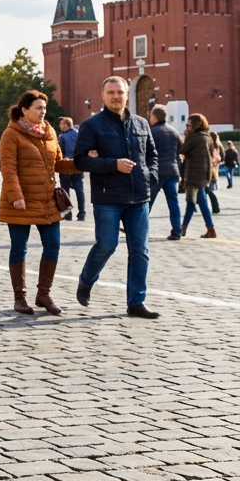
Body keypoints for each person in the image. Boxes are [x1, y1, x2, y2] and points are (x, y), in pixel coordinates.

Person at [73, 77, 159, 319]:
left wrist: (149, 175)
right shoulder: (92, 126)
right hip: (107, 197)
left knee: (140, 251)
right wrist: (113, 165)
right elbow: (81, 159)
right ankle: (86, 280)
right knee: (107, 245)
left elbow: (152, 154)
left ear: (127, 94)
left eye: (119, 92)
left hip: (139, 197)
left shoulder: (141, 123)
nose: (116, 96)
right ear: (102, 96)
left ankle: (136, 302)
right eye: (110, 92)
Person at [0, 90, 78, 315]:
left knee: (53, 245)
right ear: (25, 110)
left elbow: (59, 163)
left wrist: (81, 163)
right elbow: (9, 169)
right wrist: (16, 196)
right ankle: (19, 297)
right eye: (38, 108)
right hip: (20, 201)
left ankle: (44, 293)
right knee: (19, 248)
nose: (43, 112)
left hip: (47, 200)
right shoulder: (10, 134)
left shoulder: (49, 132)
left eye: (44, 108)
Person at [178, 114, 218, 239]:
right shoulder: (208, 137)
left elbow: (182, 149)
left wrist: (186, 135)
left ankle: (185, 228)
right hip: (204, 174)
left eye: (189, 125)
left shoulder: (194, 137)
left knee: (193, 202)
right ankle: (206, 228)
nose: (187, 127)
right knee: (198, 201)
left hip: (193, 174)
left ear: (195, 125)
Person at [147, 106, 182, 240]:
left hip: (157, 172)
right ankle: (177, 230)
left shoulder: (152, 132)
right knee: (173, 203)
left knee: (147, 202)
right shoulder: (174, 132)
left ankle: (136, 228)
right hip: (172, 171)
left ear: (154, 117)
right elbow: (179, 151)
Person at [57, 117, 85, 220]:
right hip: (78, 164)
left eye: (62, 124)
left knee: (65, 190)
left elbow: (60, 152)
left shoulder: (62, 137)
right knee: (79, 189)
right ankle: (82, 212)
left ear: (66, 125)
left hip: (66, 165)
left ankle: (68, 214)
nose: (61, 126)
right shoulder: (78, 134)